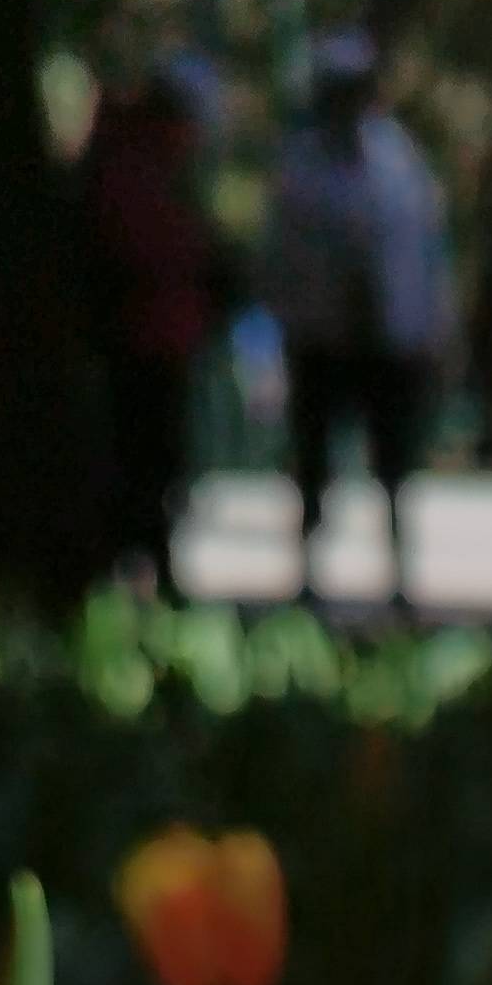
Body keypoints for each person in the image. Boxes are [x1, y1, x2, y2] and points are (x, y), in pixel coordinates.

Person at [261, 33, 453, 601]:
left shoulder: (399, 162)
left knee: (393, 465)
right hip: (320, 341)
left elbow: (424, 253)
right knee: (313, 462)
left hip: (389, 344)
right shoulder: (299, 169)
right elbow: (281, 259)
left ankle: (398, 576)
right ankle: (307, 575)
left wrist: (428, 327)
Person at [75, 57, 227, 593]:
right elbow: (143, 253)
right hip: (137, 345)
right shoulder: (134, 169)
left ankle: (152, 566)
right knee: (141, 465)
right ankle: (140, 568)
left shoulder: (162, 170)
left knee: (159, 464)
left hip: (166, 341)